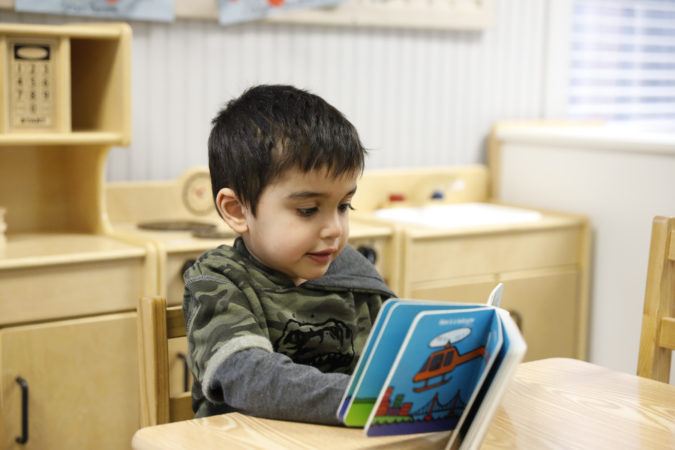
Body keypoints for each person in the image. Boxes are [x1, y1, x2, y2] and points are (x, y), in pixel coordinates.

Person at [183, 85, 395, 425]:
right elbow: (247, 377)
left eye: (344, 206)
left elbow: (394, 366)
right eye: (308, 210)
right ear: (237, 210)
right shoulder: (218, 281)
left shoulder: (355, 277)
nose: (335, 229)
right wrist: (366, 401)